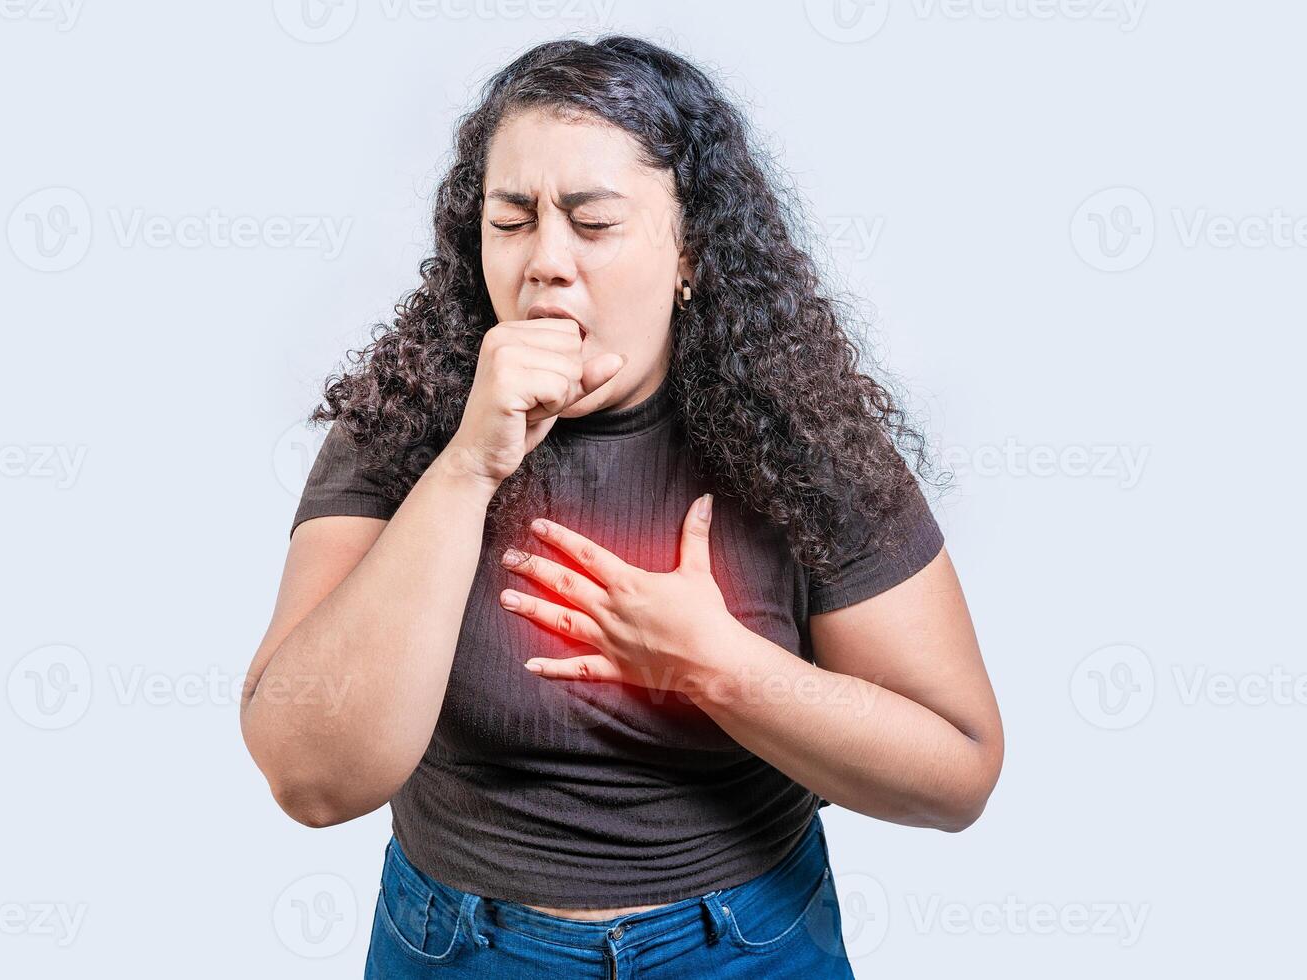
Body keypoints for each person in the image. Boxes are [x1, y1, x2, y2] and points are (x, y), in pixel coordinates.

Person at [240, 34, 1003, 978]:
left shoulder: (806, 435)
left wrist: (716, 665)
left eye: (592, 224)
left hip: (746, 946)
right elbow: (309, 779)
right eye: (511, 219)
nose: (545, 263)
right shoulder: (400, 426)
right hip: (459, 947)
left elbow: (957, 773)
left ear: (689, 252)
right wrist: (467, 469)